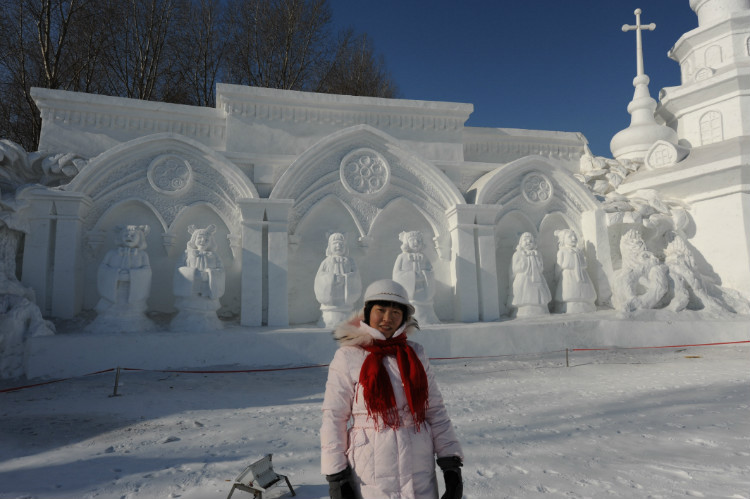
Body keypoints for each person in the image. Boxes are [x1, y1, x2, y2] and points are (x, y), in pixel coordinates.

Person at [320, 279, 464, 499]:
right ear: (368, 312)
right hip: (370, 467)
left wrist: (451, 463)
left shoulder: (415, 353)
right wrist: (336, 475)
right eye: (381, 310)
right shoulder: (348, 356)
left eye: (396, 312)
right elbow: (334, 416)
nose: (388, 318)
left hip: (419, 465)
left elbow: (435, 410)